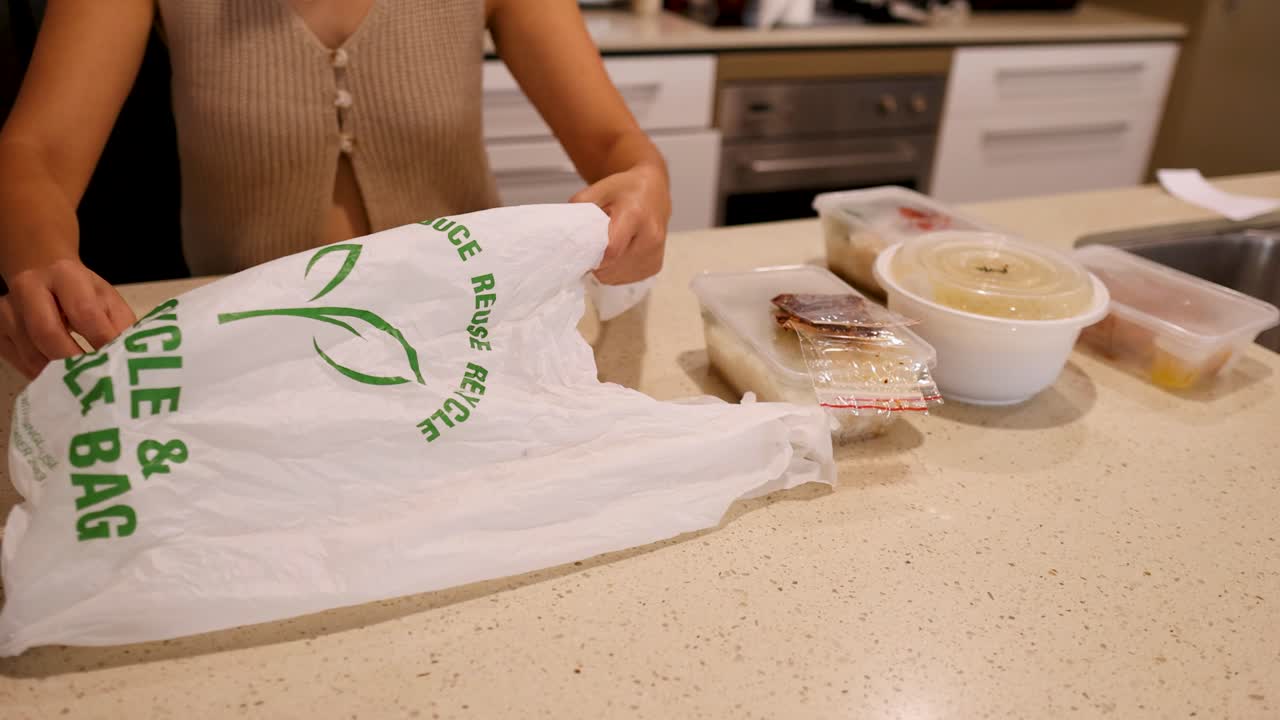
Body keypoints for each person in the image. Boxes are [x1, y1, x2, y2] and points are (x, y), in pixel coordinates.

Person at [0, 0, 671, 379]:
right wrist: (39, 258)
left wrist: (645, 184)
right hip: (251, 364)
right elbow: (36, 150)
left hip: (469, 350)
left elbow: (617, 146)